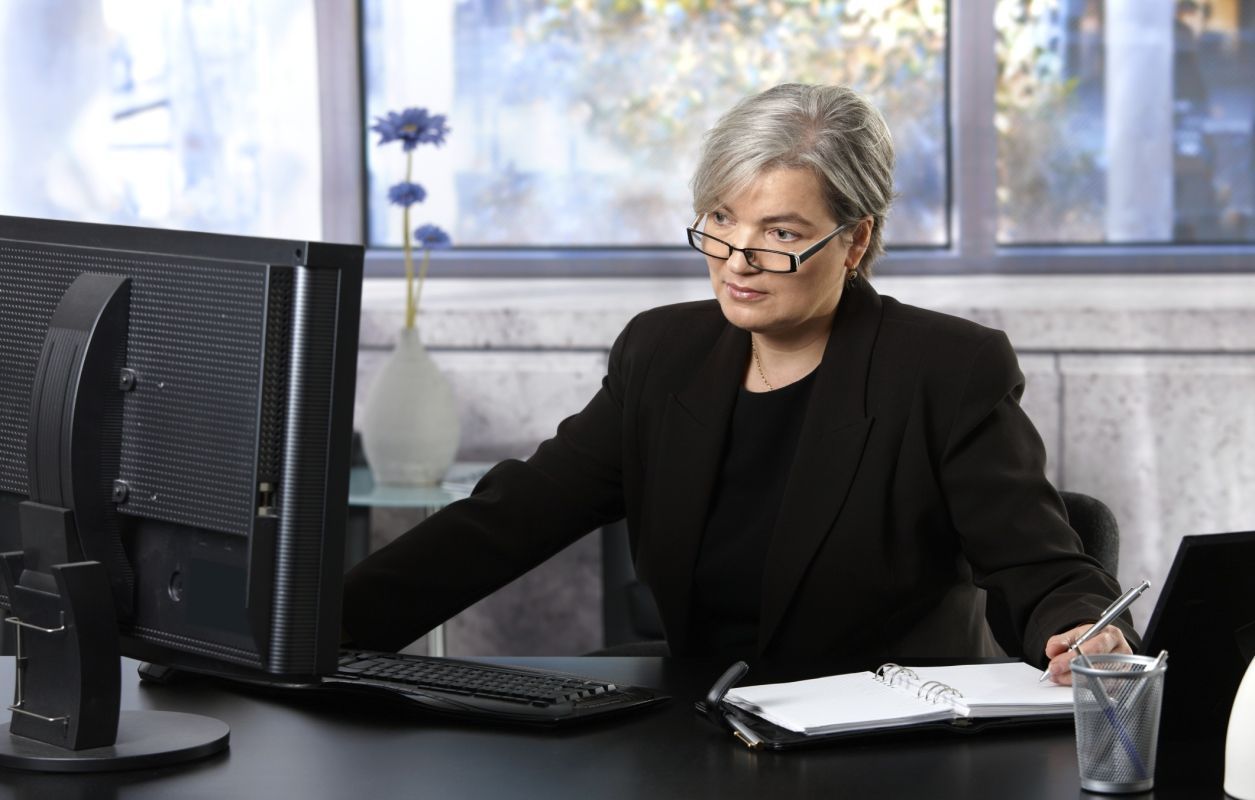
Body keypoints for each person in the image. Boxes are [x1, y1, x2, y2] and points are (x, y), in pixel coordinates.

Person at [342, 83, 1135, 684]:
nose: (736, 259)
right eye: (719, 220)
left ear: (855, 239)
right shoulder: (662, 352)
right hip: (700, 730)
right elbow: (508, 518)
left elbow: (1040, 565)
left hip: (885, 745)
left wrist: (1078, 626)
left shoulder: (943, 369)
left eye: (780, 233)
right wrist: (307, 624)